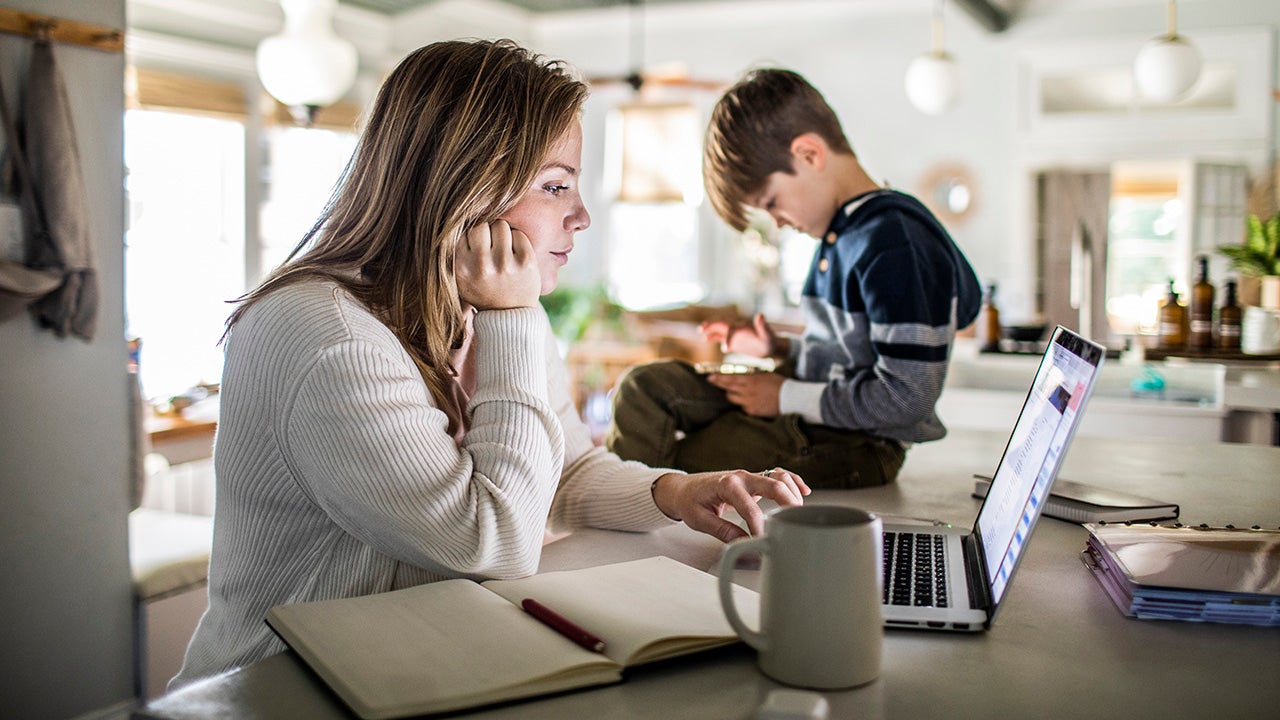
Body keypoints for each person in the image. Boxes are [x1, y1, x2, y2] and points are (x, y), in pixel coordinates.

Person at [170, 40, 809, 690]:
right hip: (281, 691)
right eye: (556, 186)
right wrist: (514, 319)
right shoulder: (330, 335)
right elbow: (490, 542)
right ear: (464, 186)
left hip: (405, 667)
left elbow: (566, 468)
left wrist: (671, 491)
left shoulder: (478, 307)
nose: (582, 216)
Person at [605, 68, 981, 489]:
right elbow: (849, 354)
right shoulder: (843, 235)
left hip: (859, 442)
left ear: (809, 155)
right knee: (644, 389)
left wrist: (784, 396)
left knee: (686, 460)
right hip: (808, 402)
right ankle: (632, 499)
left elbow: (907, 398)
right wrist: (779, 347)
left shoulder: (897, 242)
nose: (779, 223)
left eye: (772, 203)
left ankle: (641, 523)